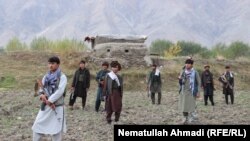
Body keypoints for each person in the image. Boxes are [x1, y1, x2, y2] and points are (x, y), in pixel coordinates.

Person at [32, 56, 67, 141]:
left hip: (57, 107)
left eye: (53, 63)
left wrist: (50, 100)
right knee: (37, 126)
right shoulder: (46, 76)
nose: (50, 65)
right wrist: (42, 96)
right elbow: (41, 89)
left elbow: (60, 91)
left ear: (58, 64)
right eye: (49, 63)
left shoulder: (62, 77)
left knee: (56, 131)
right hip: (46, 107)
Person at [179, 59, 200, 124]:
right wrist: (180, 79)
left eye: (188, 63)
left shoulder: (195, 72)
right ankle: (185, 118)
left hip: (192, 91)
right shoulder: (183, 71)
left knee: (191, 106)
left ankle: (192, 119)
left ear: (191, 65)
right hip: (184, 91)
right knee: (184, 105)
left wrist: (198, 92)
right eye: (186, 63)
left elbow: (199, 82)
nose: (187, 65)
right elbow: (180, 82)